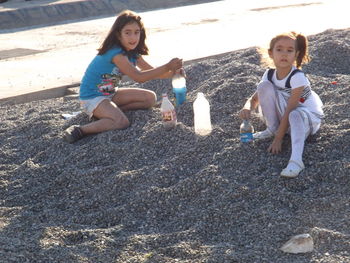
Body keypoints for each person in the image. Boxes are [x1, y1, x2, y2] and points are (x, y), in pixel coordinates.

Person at [63, 10, 184, 143]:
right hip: (92, 96)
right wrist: (167, 66)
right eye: (128, 32)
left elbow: (151, 71)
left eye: (137, 32)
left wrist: (173, 73)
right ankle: (80, 130)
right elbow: (139, 77)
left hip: (109, 94)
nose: (133, 37)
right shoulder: (116, 54)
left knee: (150, 99)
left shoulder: (133, 53)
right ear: (118, 34)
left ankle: (106, 114)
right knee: (121, 122)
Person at [239, 32, 324, 178]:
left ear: (296, 54)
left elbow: (291, 108)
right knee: (264, 86)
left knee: (295, 114)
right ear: (271, 53)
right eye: (279, 49)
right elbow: (254, 99)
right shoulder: (269, 74)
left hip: (305, 118)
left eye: (289, 50)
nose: (284, 54)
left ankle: (296, 160)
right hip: (286, 117)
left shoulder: (297, 77)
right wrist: (247, 107)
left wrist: (278, 139)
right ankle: (272, 129)